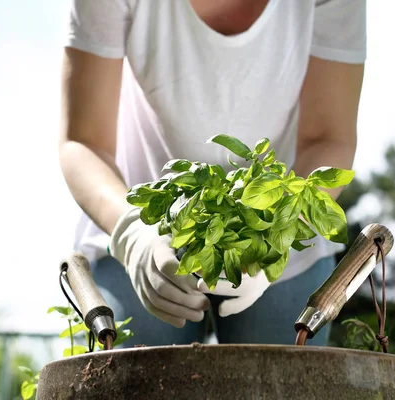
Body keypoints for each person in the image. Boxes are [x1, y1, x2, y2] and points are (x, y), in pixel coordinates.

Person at [58, 0, 366, 347]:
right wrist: (133, 234)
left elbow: (328, 139)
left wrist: (273, 240)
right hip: (141, 225)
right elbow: (83, 142)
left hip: (279, 231)